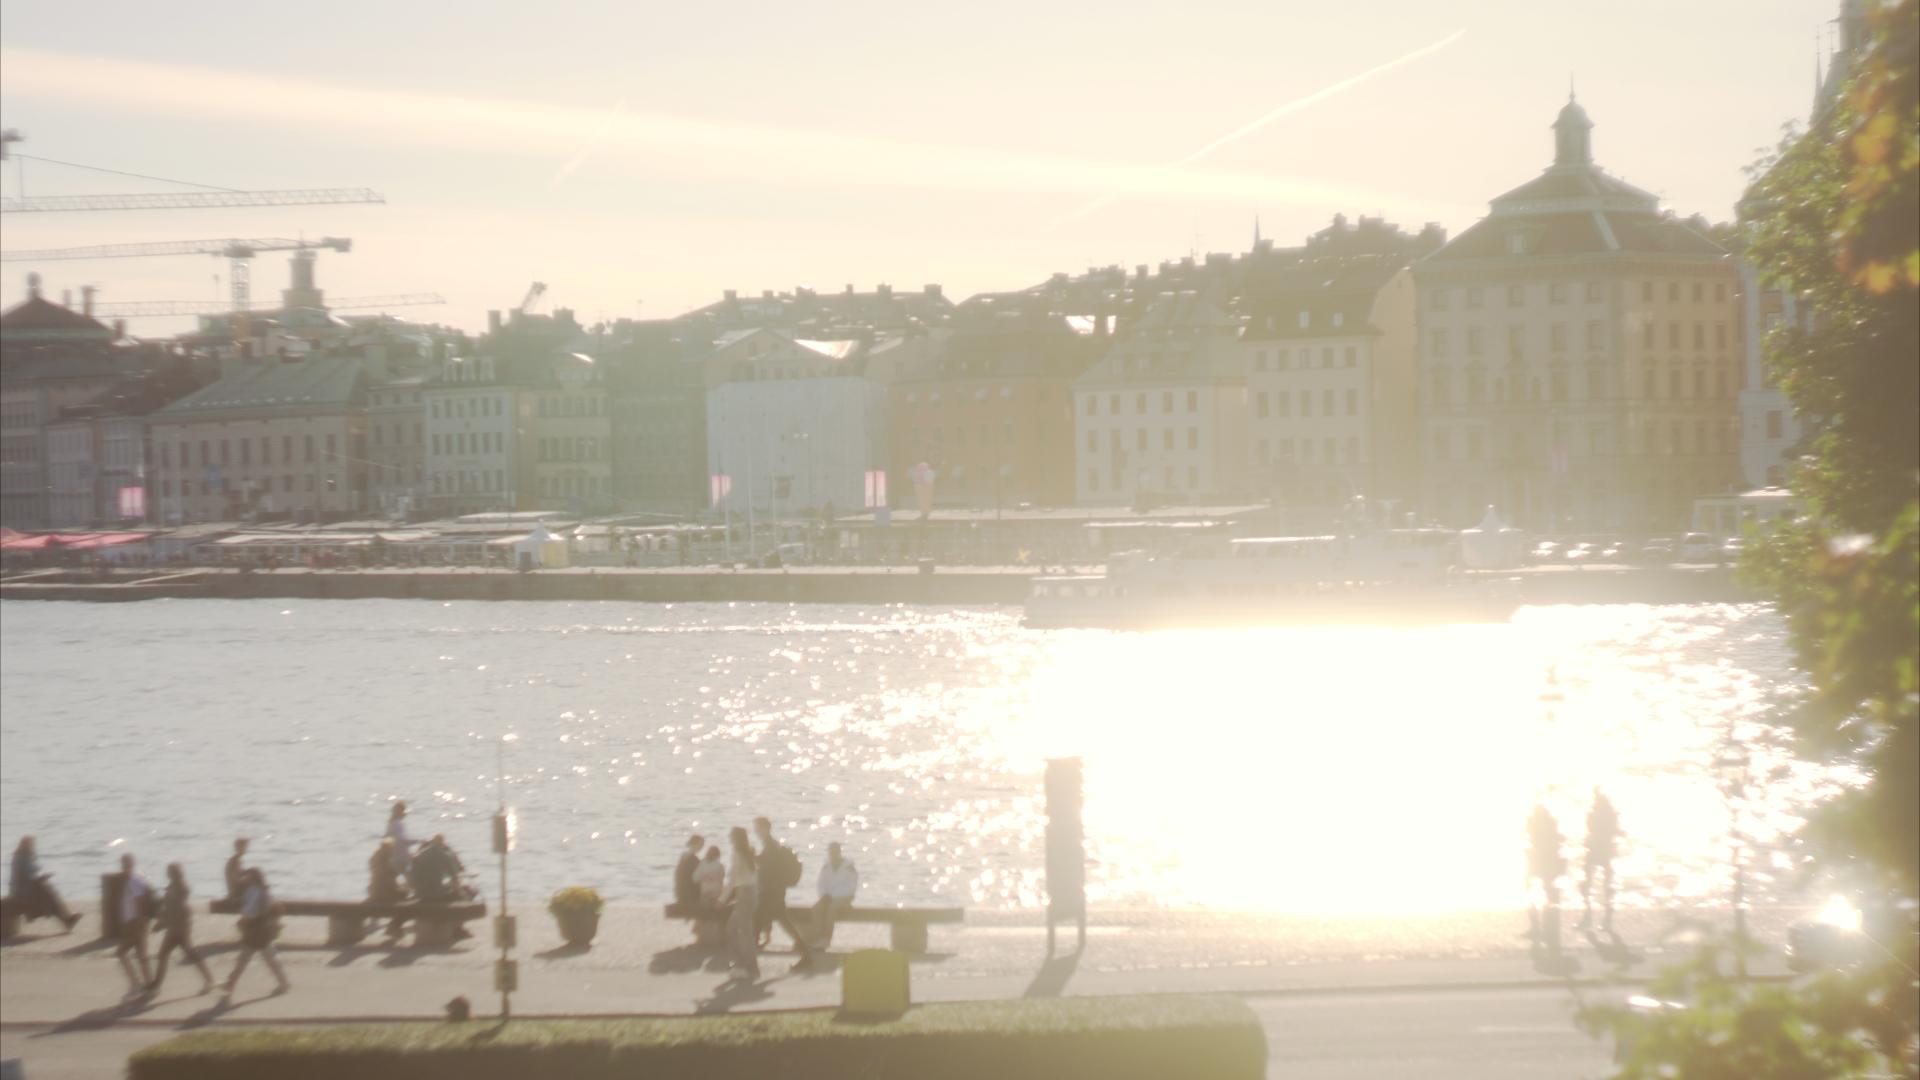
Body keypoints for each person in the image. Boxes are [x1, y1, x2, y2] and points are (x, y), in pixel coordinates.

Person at [752, 816, 814, 971]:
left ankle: (748, 962)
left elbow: (767, 867)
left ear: (765, 829)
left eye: (758, 828)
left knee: (760, 922)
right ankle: (806, 955)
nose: (756, 831)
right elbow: (765, 865)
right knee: (778, 922)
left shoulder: (771, 845)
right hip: (773, 892)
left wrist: (751, 857)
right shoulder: (771, 845)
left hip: (771, 892)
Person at [149, 863, 216, 995]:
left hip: (179, 929)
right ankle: (156, 986)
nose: (167, 874)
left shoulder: (179, 888)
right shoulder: (174, 887)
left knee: (182, 954)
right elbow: (169, 907)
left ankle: (209, 980)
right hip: (175, 928)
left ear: (174, 873)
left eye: (169, 872)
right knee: (167, 955)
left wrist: (162, 923)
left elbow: (176, 910)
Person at [224, 868, 290, 997]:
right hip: (261, 929)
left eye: (247, 876)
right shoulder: (260, 890)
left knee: (247, 958)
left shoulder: (256, 892)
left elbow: (251, 912)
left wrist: (243, 918)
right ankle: (283, 983)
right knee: (266, 958)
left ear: (252, 878)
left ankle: (230, 984)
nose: (244, 878)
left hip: (256, 930)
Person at [7, 836, 80, 932]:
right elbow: (26, 876)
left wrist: (42, 877)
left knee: (48, 893)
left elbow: (33, 873)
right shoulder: (20, 857)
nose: (32, 846)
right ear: (24, 845)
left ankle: (67, 920)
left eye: (32, 844)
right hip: (21, 892)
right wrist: (41, 878)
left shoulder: (28, 856)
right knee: (48, 893)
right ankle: (67, 920)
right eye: (30, 844)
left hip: (30, 888)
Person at [1526, 805, 1567, 959]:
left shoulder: (1535, 823)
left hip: (1539, 859)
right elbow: (1558, 839)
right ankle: (1543, 923)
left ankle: (1537, 924)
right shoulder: (1549, 823)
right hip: (1546, 860)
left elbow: (1530, 837)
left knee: (1532, 889)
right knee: (1547, 890)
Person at [1579, 788, 1621, 932]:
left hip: (1594, 850)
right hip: (1606, 851)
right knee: (1607, 885)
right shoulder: (1611, 814)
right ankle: (1606, 919)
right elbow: (1614, 830)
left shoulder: (1593, 814)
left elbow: (1591, 828)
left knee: (1587, 884)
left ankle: (1588, 917)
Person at [722, 827, 760, 981]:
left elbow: (732, 878)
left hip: (744, 893)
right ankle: (742, 964)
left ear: (736, 838)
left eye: (731, 837)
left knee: (742, 932)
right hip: (748, 893)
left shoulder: (738, 854)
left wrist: (722, 899)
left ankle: (747, 966)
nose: (729, 839)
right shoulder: (748, 853)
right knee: (737, 930)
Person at [114, 854, 155, 993]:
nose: (122, 867)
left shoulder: (133, 881)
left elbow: (139, 901)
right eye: (122, 864)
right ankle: (146, 984)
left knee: (123, 953)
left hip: (135, 923)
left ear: (129, 865)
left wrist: (139, 922)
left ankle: (138, 983)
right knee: (141, 955)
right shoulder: (135, 879)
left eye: (124, 864)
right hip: (134, 923)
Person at [811, 842, 859, 949]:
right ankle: (819, 937)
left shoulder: (849, 867)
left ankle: (827, 939)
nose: (832, 854)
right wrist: (824, 895)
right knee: (816, 909)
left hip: (845, 898)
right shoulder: (826, 867)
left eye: (835, 851)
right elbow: (821, 884)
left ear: (839, 852)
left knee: (831, 909)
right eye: (830, 852)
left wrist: (834, 896)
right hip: (828, 897)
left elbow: (852, 886)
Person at [368, 837, 411, 939]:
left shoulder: (375, 858)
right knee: (409, 904)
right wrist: (403, 888)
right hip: (383, 894)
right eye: (392, 848)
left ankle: (394, 926)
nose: (393, 850)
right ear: (388, 848)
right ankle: (394, 926)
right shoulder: (386, 861)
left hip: (374, 892)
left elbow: (386, 880)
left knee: (403, 896)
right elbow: (389, 882)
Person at [673, 834, 704, 910]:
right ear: (694, 844)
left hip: (680, 893)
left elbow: (678, 876)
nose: (702, 847)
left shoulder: (683, 857)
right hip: (688, 894)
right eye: (701, 844)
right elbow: (696, 879)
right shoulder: (694, 860)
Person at [693, 845, 726, 912]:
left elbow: (695, 878)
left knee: (705, 910)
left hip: (705, 893)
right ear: (718, 855)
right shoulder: (720, 866)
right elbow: (721, 881)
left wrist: (704, 878)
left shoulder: (702, 864)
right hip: (716, 894)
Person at [386, 802, 414, 875]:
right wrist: (417, 841)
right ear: (399, 812)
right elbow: (402, 840)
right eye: (403, 811)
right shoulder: (397, 824)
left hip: (394, 857)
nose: (405, 814)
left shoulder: (390, 823)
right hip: (401, 859)